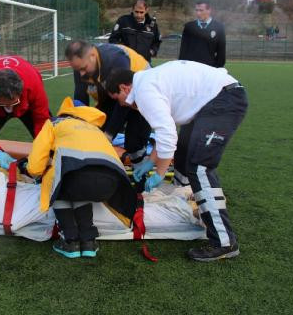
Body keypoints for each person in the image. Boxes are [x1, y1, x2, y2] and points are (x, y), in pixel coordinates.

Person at [106, 60, 248, 261]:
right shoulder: (149, 80)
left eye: (118, 98)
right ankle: (190, 199)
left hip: (222, 100)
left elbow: (167, 135)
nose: (122, 104)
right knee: (187, 153)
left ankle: (224, 242)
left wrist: (159, 174)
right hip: (219, 98)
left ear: (124, 87)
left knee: (200, 167)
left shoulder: (144, 89)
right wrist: (151, 160)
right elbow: (167, 129)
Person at [24, 97, 137, 258]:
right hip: (112, 185)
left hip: (76, 180)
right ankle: (88, 240)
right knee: (79, 186)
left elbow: (35, 165)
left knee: (59, 180)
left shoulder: (55, 123)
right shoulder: (96, 129)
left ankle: (70, 241)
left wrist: (35, 173)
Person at [65, 41, 151, 169]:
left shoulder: (116, 60)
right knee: (96, 133)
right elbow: (81, 97)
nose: (81, 74)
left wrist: (110, 134)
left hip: (140, 95)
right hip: (113, 94)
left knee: (133, 140)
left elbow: (124, 102)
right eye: (78, 70)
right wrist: (81, 127)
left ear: (93, 55)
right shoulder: (82, 65)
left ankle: (140, 169)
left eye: (83, 68)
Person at [179, 0, 226, 67]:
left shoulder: (219, 27)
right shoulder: (189, 27)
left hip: (209, 68)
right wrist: (181, 64)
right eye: (196, 10)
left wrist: (218, 67)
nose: (198, 13)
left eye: (201, 10)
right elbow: (183, 49)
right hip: (191, 67)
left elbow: (221, 52)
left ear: (209, 10)